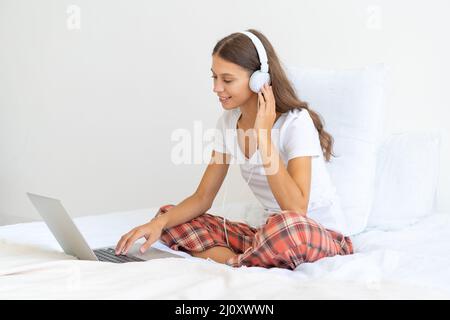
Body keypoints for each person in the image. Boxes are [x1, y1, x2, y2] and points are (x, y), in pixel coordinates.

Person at [115, 29, 353, 270]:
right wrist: (160, 223)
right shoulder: (228, 123)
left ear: (259, 80)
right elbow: (202, 197)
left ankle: (237, 261)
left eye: (227, 80)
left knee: (287, 225)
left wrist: (263, 136)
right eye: (214, 77)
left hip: (313, 235)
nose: (217, 88)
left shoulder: (296, 122)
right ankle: (244, 260)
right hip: (267, 235)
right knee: (169, 217)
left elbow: (296, 210)